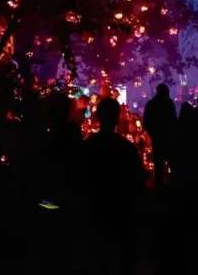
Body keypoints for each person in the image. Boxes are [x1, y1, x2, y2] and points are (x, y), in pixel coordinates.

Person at [82, 98, 146, 275]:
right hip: (120, 210)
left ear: (98, 117)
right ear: (117, 118)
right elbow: (137, 180)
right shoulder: (125, 148)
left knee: (100, 258)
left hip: (97, 210)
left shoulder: (89, 146)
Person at [143, 84, 177, 189]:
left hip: (160, 136)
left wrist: (153, 133)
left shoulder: (152, 104)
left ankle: (161, 184)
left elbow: (146, 122)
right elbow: (173, 119)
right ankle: (168, 184)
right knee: (167, 161)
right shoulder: (167, 103)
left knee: (160, 162)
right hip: (163, 136)